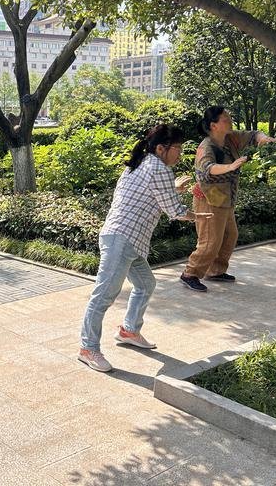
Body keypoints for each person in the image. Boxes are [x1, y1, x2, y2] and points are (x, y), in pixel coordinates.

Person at [79, 125, 208, 373]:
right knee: (103, 296)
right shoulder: (158, 167)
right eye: (178, 148)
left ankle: (129, 330)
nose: (180, 154)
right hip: (122, 239)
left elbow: (150, 193)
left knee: (146, 284)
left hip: (127, 240)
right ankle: (88, 348)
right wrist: (200, 215)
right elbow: (175, 211)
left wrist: (175, 189)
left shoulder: (139, 163)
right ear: (161, 148)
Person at [179, 106, 276, 293]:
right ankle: (190, 273)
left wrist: (262, 138)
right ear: (213, 125)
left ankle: (215, 271)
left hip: (225, 198)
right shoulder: (205, 147)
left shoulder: (230, 138)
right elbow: (208, 169)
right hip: (208, 199)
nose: (230, 120)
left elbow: (253, 134)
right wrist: (231, 166)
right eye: (225, 119)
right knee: (210, 241)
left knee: (230, 236)